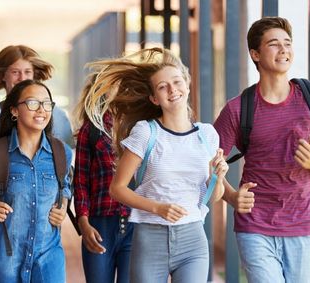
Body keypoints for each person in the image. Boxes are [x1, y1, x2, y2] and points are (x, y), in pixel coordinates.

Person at [85, 47, 228, 282]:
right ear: (154, 98)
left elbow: (212, 196)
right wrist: (158, 208)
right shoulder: (146, 132)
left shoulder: (207, 135)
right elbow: (117, 189)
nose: (172, 90)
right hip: (150, 238)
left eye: (177, 82)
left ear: (187, 84)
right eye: (163, 87)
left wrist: (218, 177)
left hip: (193, 238)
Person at [214, 17, 310, 283]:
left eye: (287, 43)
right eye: (274, 44)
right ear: (255, 54)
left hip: (304, 222)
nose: (284, 49)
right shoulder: (238, 109)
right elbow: (208, 164)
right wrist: (232, 197)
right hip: (255, 224)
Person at [0, 79, 73, 282]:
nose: (41, 110)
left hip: (48, 259)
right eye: (32, 103)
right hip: (5, 259)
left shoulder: (63, 152)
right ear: (14, 111)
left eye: (46, 103)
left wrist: (62, 206)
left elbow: (65, 186)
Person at [73, 74, 133, 283]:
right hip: (99, 224)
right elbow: (80, 181)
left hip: (136, 223)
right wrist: (83, 222)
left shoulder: (140, 126)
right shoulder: (90, 130)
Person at [0, 45, 74, 147]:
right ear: (2, 75)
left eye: (27, 72)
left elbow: (66, 156)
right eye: (15, 72)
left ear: (34, 75)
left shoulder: (57, 116)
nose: (22, 78)